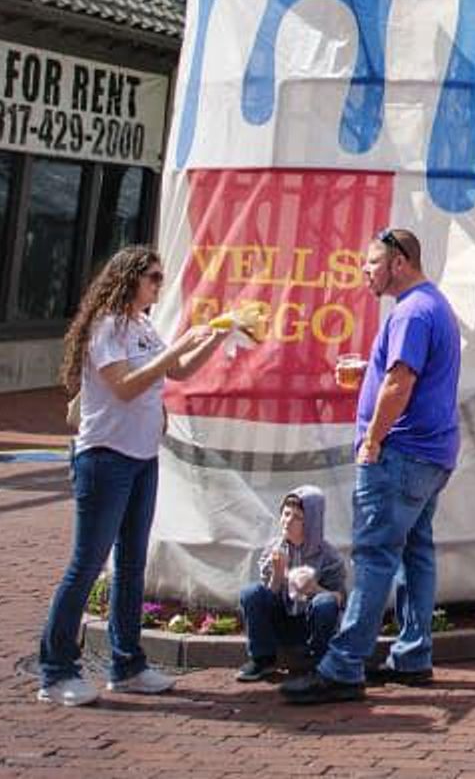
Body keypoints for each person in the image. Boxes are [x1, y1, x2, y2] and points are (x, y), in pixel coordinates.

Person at [37, 245, 221, 705]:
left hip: (142, 457)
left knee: (132, 566)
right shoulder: (107, 327)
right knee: (86, 564)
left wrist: (218, 335)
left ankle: (128, 663)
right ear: (129, 279)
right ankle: (56, 670)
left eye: (160, 278)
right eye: (153, 278)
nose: (159, 286)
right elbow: (124, 386)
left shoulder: (141, 325)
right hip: (105, 458)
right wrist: (177, 347)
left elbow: (177, 369)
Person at [286, 227, 462, 704]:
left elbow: (399, 383)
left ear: (399, 262)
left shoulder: (411, 313)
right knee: (415, 553)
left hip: (400, 456)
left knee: (375, 555)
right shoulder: (432, 306)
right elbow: (400, 377)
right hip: (431, 454)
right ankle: (412, 655)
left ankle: (344, 664)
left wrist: (373, 439)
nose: (364, 271)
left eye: (371, 262)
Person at [236, 487, 347, 682]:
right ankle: (263, 659)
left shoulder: (328, 556)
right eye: (286, 514)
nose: (288, 521)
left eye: (297, 517)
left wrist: (314, 589)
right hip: (282, 620)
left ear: (311, 523)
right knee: (251, 593)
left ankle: (319, 661)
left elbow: (339, 599)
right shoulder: (273, 548)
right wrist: (278, 575)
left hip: (311, 624)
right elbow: (267, 596)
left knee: (325, 602)